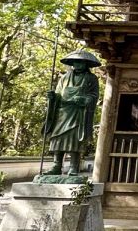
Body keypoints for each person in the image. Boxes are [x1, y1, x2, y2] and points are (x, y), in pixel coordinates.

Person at [42, 50, 101, 179]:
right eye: (76, 62)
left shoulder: (91, 78)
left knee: (75, 139)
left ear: (86, 64)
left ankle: (74, 166)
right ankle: (56, 166)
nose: (78, 64)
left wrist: (85, 100)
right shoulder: (64, 78)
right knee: (57, 138)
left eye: (81, 62)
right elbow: (59, 93)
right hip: (63, 112)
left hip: (78, 112)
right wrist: (53, 97)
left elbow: (94, 95)